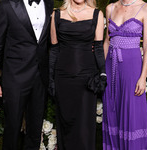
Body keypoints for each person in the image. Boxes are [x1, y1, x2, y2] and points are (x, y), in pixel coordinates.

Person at [0, 0, 53, 149]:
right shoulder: (6, 5)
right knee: (13, 127)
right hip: (15, 76)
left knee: (35, 128)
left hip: (40, 76)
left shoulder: (48, 3)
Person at [48, 0, 107, 149]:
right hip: (63, 77)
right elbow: (54, 49)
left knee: (85, 126)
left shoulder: (97, 14)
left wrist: (103, 73)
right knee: (66, 123)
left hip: (87, 78)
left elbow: (99, 48)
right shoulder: (56, 15)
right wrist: (51, 79)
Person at [102, 0, 147, 149]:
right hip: (111, 67)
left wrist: (143, 77)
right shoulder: (110, 7)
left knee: (132, 114)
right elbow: (107, 41)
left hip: (132, 68)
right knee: (111, 110)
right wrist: (102, 72)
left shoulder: (146, 8)